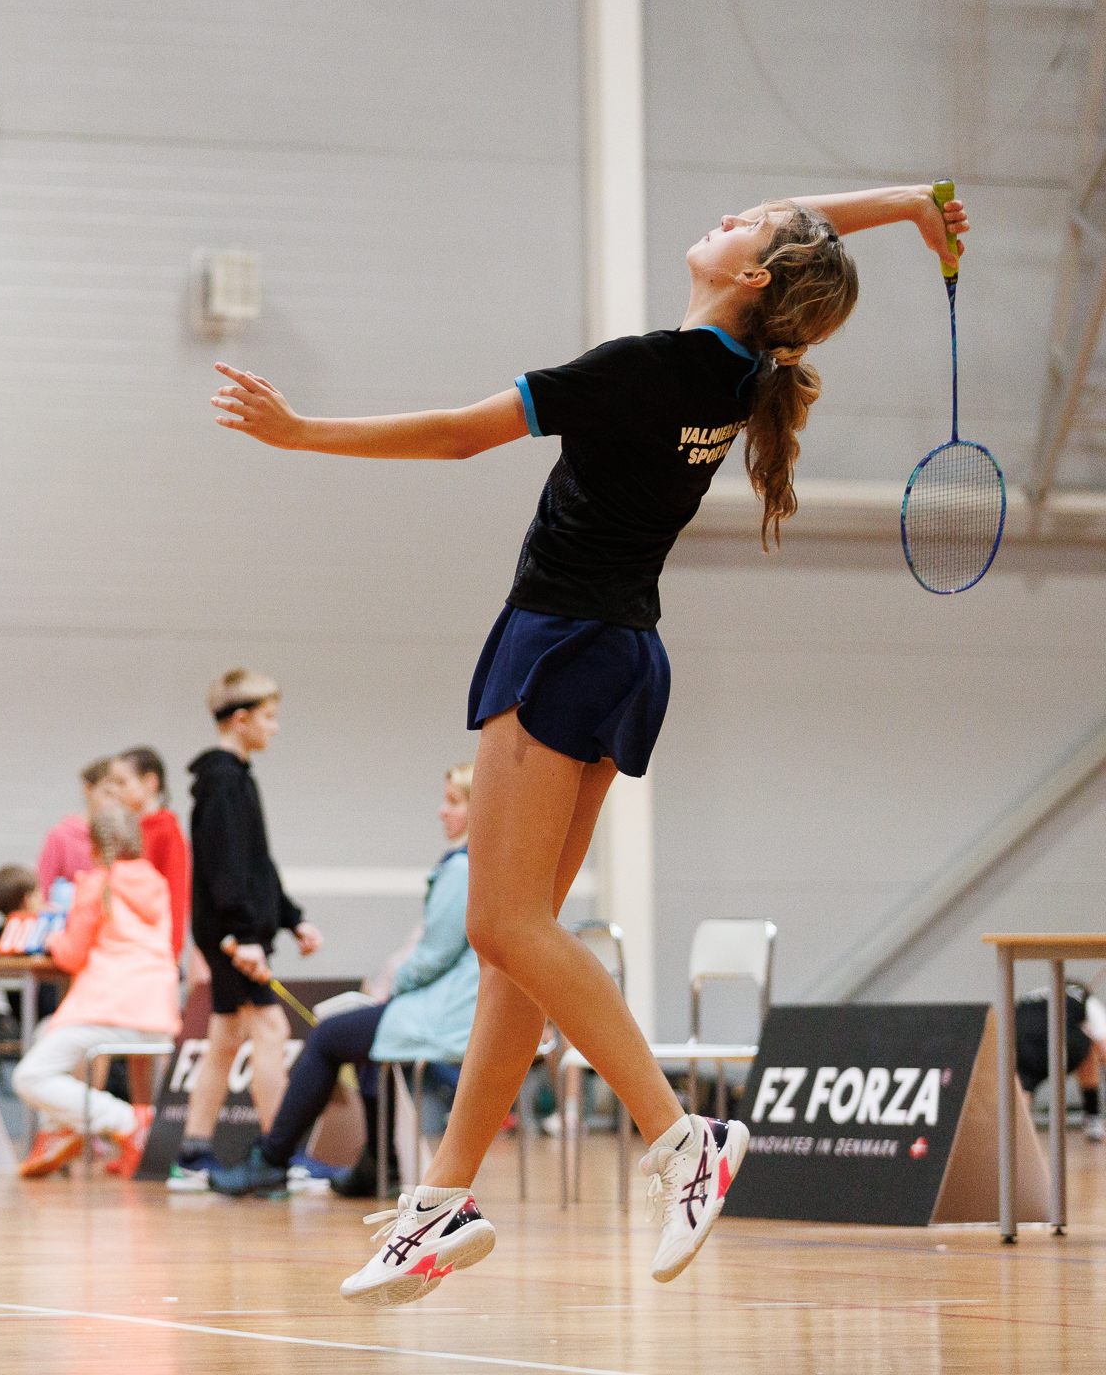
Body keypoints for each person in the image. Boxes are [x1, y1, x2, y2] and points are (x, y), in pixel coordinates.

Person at [210, 186, 968, 1303]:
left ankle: (680, 1138)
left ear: (755, 277)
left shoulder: (647, 367)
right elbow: (797, 236)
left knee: (501, 925)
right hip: (623, 652)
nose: (729, 214)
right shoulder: (740, 371)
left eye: (745, 224)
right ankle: (442, 1200)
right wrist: (904, 205)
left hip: (559, 643)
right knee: (519, 944)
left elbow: (459, 436)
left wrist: (300, 432)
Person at [212, 763, 480, 1199]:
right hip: (456, 1007)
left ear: (478, 809)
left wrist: (392, 987)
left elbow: (434, 955)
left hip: (448, 1012)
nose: (441, 811)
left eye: (453, 802)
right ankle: (378, 1163)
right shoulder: (483, 866)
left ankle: (272, 1161)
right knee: (363, 1037)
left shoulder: (463, 868)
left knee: (329, 1036)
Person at [169, 668, 323, 1190]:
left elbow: (258, 864)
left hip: (233, 934)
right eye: (269, 717)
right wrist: (244, 937)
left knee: (226, 1037)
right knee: (271, 1031)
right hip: (233, 937)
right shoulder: (223, 783)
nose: (274, 727)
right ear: (240, 719)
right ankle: (280, 1156)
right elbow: (226, 868)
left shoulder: (235, 778)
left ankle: (192, 1154)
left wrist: (292, 917)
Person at [14, 805, 180, 1180]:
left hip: (112, 1007)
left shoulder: (96, 883)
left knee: (30, 1076)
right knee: (48, 1035)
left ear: (93, 846)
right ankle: (66, 1129)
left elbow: (72, 955)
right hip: (160, 1015)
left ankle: (127, 1123)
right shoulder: (156, 883)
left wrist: (53, 939)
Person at [107, 746, 191, 1109]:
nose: (114, 790)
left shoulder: (167, 831)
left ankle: (160, 1121)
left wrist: (170, 955)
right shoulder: (129, 830)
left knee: (155, 1043)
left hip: (154, 957)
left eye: (122, 782)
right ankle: (140, 1121)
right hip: (127, 954)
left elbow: (176, 898)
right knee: (133, 1046)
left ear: (150, 782)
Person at [1016, 982, 1103, 1143]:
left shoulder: (1030, 997)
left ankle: (1014, 1136)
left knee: (1022, 1092)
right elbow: (1103, 1044)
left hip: (1022, 1047)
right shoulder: (1084, 997)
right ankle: (1093, 1118)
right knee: (1090, 1046)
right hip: (1066, 1047)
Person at [36, 758, 117, 902]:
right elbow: (43, 889)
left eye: (120, 796)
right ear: (88, 789)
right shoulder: (61, 836)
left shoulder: (127, 834)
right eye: (108, 794)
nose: (115, 802)